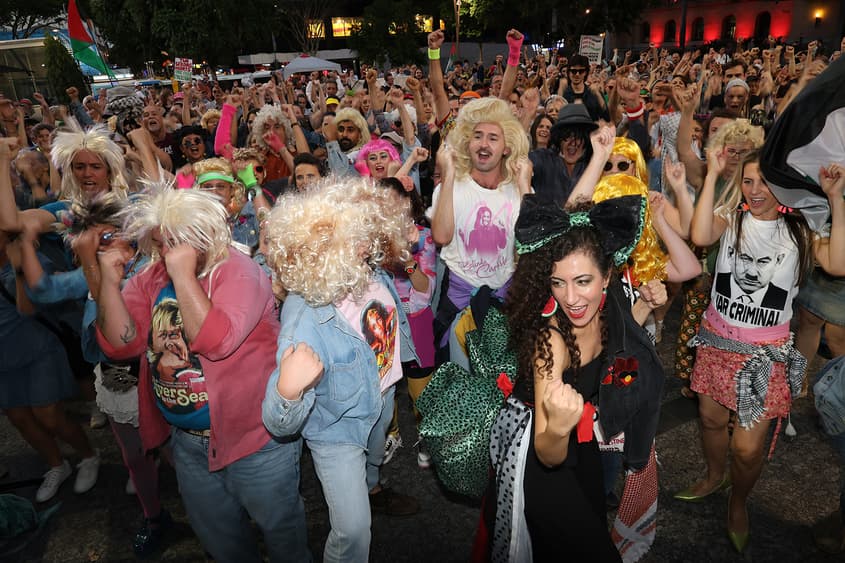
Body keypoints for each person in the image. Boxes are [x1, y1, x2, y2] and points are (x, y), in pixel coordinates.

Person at [94, 186, 309, 562]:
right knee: (222, 542)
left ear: (204, 234)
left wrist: (182, 276)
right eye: (160, 243)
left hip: (256, 441)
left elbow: (217, 342)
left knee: (282, 534)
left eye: (175, 242)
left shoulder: (240, 273)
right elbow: (120, 346)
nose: (166, 253)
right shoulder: (152, 276)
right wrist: (109, 286)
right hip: (188, 444)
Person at [677, 152, 845, 553]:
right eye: (749, 181)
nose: (755, 191)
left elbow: (838, 263)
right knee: (710, 421)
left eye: (764, 183)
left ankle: (738, 503)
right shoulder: (731, 217)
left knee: (748, 448)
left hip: (764, 355)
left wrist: (836, 199)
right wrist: (714, 173)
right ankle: (716, 476)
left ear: (782, 187)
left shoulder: (799, 229)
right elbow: (700, 236)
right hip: (716, 342)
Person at [488, 194, 664, 561]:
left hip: (582, 447)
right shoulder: (549, 343)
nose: (571, 297)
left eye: (582, 281)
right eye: (557, 283)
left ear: (608, 277)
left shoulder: (609, 309)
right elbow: (546, 453)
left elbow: (622, 340)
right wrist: (556, 427)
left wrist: (645, 306)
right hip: (540, 461)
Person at [262, 179, 420, 563]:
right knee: (352, 531)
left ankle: (371, 487)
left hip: (381, 399)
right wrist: (288, 391)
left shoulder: (366, 273)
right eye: (356, 238)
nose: (366, 244)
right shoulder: (304, 323)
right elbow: (277, 423)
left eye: (363, 233)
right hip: (337, 429)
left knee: (374, 461)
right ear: (325, 252)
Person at [429, 97, 532, 363]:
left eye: (493, 137)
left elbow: (533, 243)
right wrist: (448, 174)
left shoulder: (516, 190)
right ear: (467, 142)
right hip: (458, 300)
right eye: (478, 136)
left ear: (506, 148)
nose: (484, 144)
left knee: (502, 381)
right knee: (458, 382)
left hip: (505, 301)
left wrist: (524, 186)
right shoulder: (451, 186)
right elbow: (441, 237)